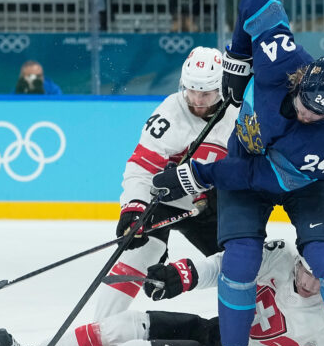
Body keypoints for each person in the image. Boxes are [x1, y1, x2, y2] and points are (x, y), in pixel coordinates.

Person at [150, 0, 324, 346]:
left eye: (317, 113)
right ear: (301, 80)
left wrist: (196, 175)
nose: (306, 114)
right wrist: (237, 57)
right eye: (305, 103)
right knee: (241, 258)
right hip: (247, 165)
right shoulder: (282, 61)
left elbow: (258, 177)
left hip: (298, 183)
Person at [0, 240, 324, 346]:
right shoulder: (279, 254)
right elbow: (222, 265)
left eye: (319, 276)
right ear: (298, 259)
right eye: (305, 271)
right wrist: (182, 274)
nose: (310, 282)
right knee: (127, 323)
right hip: (219, 332)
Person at [94, 46, 238, 321]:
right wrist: (133, 208)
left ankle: (247, 334)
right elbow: (141, 166)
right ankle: (95, 331)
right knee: (136, 252)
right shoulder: (171, 112)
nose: (196, 99)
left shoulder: (239, 116)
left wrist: (228, 194)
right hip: (165, 202)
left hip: (211, 208)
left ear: (220, 89)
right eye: (191, 90)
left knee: (242, 264)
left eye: (205, 92)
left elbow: (251, 170)